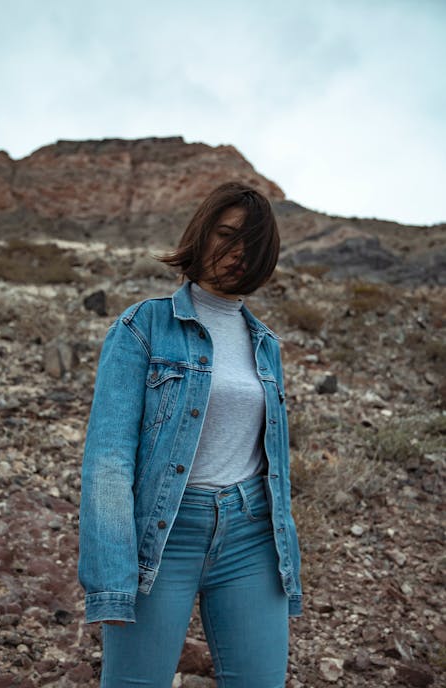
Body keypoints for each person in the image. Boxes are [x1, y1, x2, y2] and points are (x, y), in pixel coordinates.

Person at [78, 181, 303, 688]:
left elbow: (273, 462)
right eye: (226, 235)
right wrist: (112, 579)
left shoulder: (266, 344)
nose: (236, 253)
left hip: (250, 535)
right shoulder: (143, 326)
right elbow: (108, 457)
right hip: (164, 533)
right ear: (200, 235)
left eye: (252, 244)